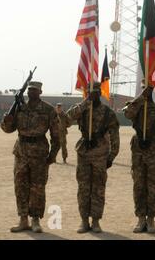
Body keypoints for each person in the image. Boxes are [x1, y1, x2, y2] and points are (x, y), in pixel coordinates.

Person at [0, 81, 60, 233]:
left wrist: (53, 155)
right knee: (20, 187)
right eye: (30, 90)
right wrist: (6, 121)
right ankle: (23, 219)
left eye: (35, 90)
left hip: (39, 154)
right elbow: (8, 129)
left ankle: (35, 220)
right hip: (21, 152)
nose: (31, 92)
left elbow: (56, 135)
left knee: (37, 187)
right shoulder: (19, 108)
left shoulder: (48, 110)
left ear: (40, 92)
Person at [67, 82, 120, 234]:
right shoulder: (83, 109)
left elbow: (115, 135)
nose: (94, 95)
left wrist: (112, 156)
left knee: (98, 188)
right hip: (84, 153)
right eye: (91, 93)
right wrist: (84, 104)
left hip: (100, 154)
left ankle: (96, 221)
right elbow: (67, 119)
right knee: (83, 188)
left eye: (96, 92)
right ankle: (84, 221)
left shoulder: (108, 113)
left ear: (100, 93)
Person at [123, 83, 155, 234]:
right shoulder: (135, 105)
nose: (147, 91)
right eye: (144, 88)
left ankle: (151, 219)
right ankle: (141, 218)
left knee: (152, 185)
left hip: (154, 146)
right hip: (138, 149)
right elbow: (128, 114)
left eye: (149, 88)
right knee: (138, 184)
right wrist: (141, 98)